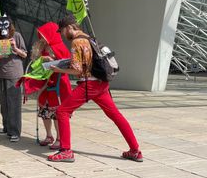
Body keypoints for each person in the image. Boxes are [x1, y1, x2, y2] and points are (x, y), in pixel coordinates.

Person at [48, 14, 143, 162]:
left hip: (89, 84)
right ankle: (135, 150)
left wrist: (58, 69)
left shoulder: (76, 42)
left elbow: (78, 70)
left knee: (62, 111)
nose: (62, 34)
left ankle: (66, 150)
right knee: (116, 116)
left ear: (69, 27)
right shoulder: (89, 38)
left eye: (61, 31)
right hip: (101, 84)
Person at [31, 22, 72, 149]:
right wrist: (42, 60)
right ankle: (49, 136)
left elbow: (67, 64)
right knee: (45, 112)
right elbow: (34, 64)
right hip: (45, 85)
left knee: (57, 114)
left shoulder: (61, 47)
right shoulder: (42, 48)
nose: (41, 38)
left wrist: (53, 61)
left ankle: (60, 138)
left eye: (44, 35)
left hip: (58, 86)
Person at [0, 15, 27, 142]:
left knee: (14, 104)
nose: (3, 28)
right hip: (2, 73)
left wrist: (15, 48)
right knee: (4, 104)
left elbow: (24, 54)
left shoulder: (17, 36)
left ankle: (15, 132)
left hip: (14, 74)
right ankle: (6, 128)